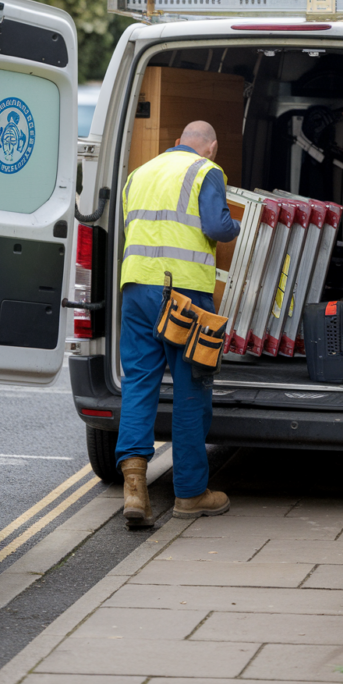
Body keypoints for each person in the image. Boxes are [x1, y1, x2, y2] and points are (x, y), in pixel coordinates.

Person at [116, 120, 241, 526]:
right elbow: (217, 227)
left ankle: (135, 488)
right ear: (212, 148)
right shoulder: (207, 172)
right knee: (191, 386)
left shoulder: (139, 174)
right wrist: (240, 225)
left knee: (138, 382)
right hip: (183, 296)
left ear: (176, 143)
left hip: (135, 291)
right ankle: (190, 493)